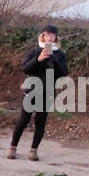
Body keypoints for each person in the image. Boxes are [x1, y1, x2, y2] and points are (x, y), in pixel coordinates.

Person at [10, 24, 69, 160]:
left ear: (56, 38)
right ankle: (13, 147)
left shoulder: (60, 54)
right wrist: (39, 60)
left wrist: (54, 60)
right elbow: (26, 69)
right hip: (31, 90)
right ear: (43, 35)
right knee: (24, 120)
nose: (50, 37)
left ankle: (33, 150)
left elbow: (64, 73)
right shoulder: (35, 51)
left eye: (52, 35)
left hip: (47, 92)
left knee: (40, 122)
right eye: (47, 34)